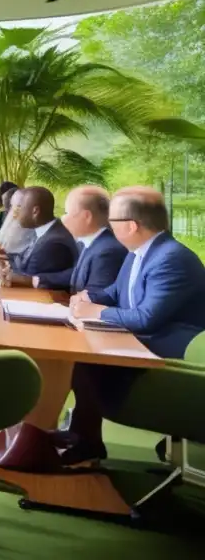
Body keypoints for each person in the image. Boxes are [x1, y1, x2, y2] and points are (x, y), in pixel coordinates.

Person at [59, 187, 205, 465]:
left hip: (178, 358)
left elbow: (146, 317)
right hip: (146, 344)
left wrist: (97, 312)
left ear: (130, 225)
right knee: (83, 356)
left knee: (89, 363)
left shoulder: (171, 258)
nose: (108, 227)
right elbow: (116, 292)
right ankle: (82, 437)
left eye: (112, 221)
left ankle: (85, 441)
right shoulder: (139, 252)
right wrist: (88, 298)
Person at [12, 186, 126, 295]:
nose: (63, 218)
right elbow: (74, 274)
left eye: (66, 213)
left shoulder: (106, 251)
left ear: (86, 217)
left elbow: (95, 299)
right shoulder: (89, 244)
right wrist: (35, 280)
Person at [5, 186, 78, 280]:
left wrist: (8, 274)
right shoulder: (45, 231)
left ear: (35, 211)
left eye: (20, 208)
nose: (16, 214)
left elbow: (29, 277)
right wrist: (7, 264)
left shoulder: (53, 243)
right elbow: (24, 262)